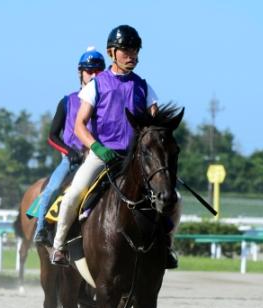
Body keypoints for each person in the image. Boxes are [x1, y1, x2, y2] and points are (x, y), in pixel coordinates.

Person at [52, 25, 178, 268]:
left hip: (136, 159)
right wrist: (96, 148)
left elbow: (154, 122)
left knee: (173, 197)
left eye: (135, 50)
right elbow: (80, 125)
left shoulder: (144, 86)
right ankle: (58, 246)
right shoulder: (97, 85)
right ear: (112, 52)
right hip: (103, 155)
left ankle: (166, 248)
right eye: (126, 50)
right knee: (73, 194)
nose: (132, 55)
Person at [34, 48, 106, 246]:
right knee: (53, 188)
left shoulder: (107, 102)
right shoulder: (67, 102)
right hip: (71, 160)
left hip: (98, 158)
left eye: (98, 72)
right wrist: (69, 152)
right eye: (89, 71)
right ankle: (41, 229)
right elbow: (52, 136)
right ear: (80, 72)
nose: (93, 75)